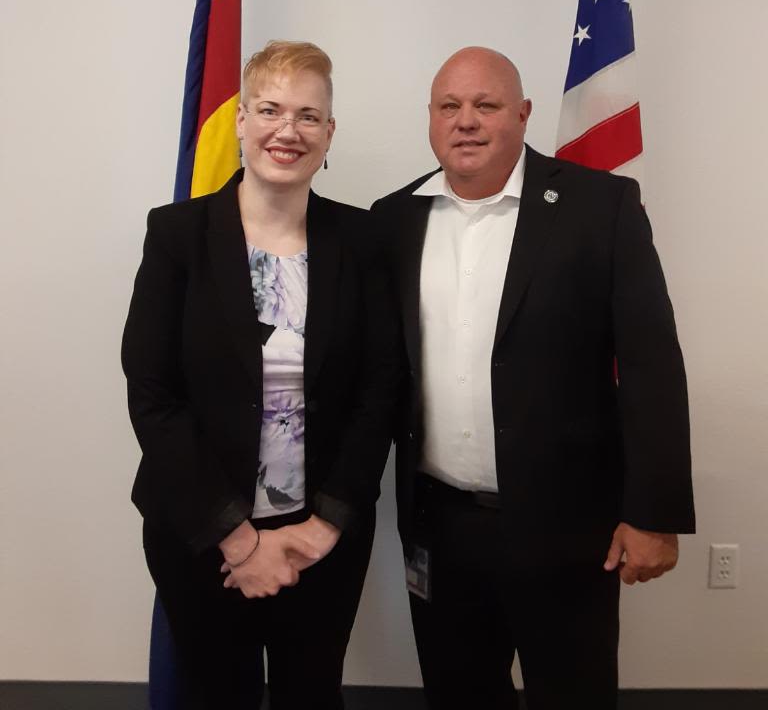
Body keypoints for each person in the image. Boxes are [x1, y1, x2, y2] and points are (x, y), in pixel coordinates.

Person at [370, 46, 695, 710]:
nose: (466, 121)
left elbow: (650, 363)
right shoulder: (392, 220)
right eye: (449, 107)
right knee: (460, 697)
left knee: (572, 696)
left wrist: (654, 514)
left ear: (522, 114)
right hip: (440, 526)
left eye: (486, 105)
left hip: (568, 531)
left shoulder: (599, 208)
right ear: (429, 119)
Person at [122, 41, 399, 710]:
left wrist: (325, 524)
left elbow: (382, 388)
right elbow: (152, 394)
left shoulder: (362, 242)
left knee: (312, 694)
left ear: (329, 134)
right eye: (271, 109)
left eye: (309, 115)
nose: (288, 130)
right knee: (216, 695)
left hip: (322, 539)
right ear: (241, 120)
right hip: (202, 534)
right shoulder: (177, 235)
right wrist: (238, 540)